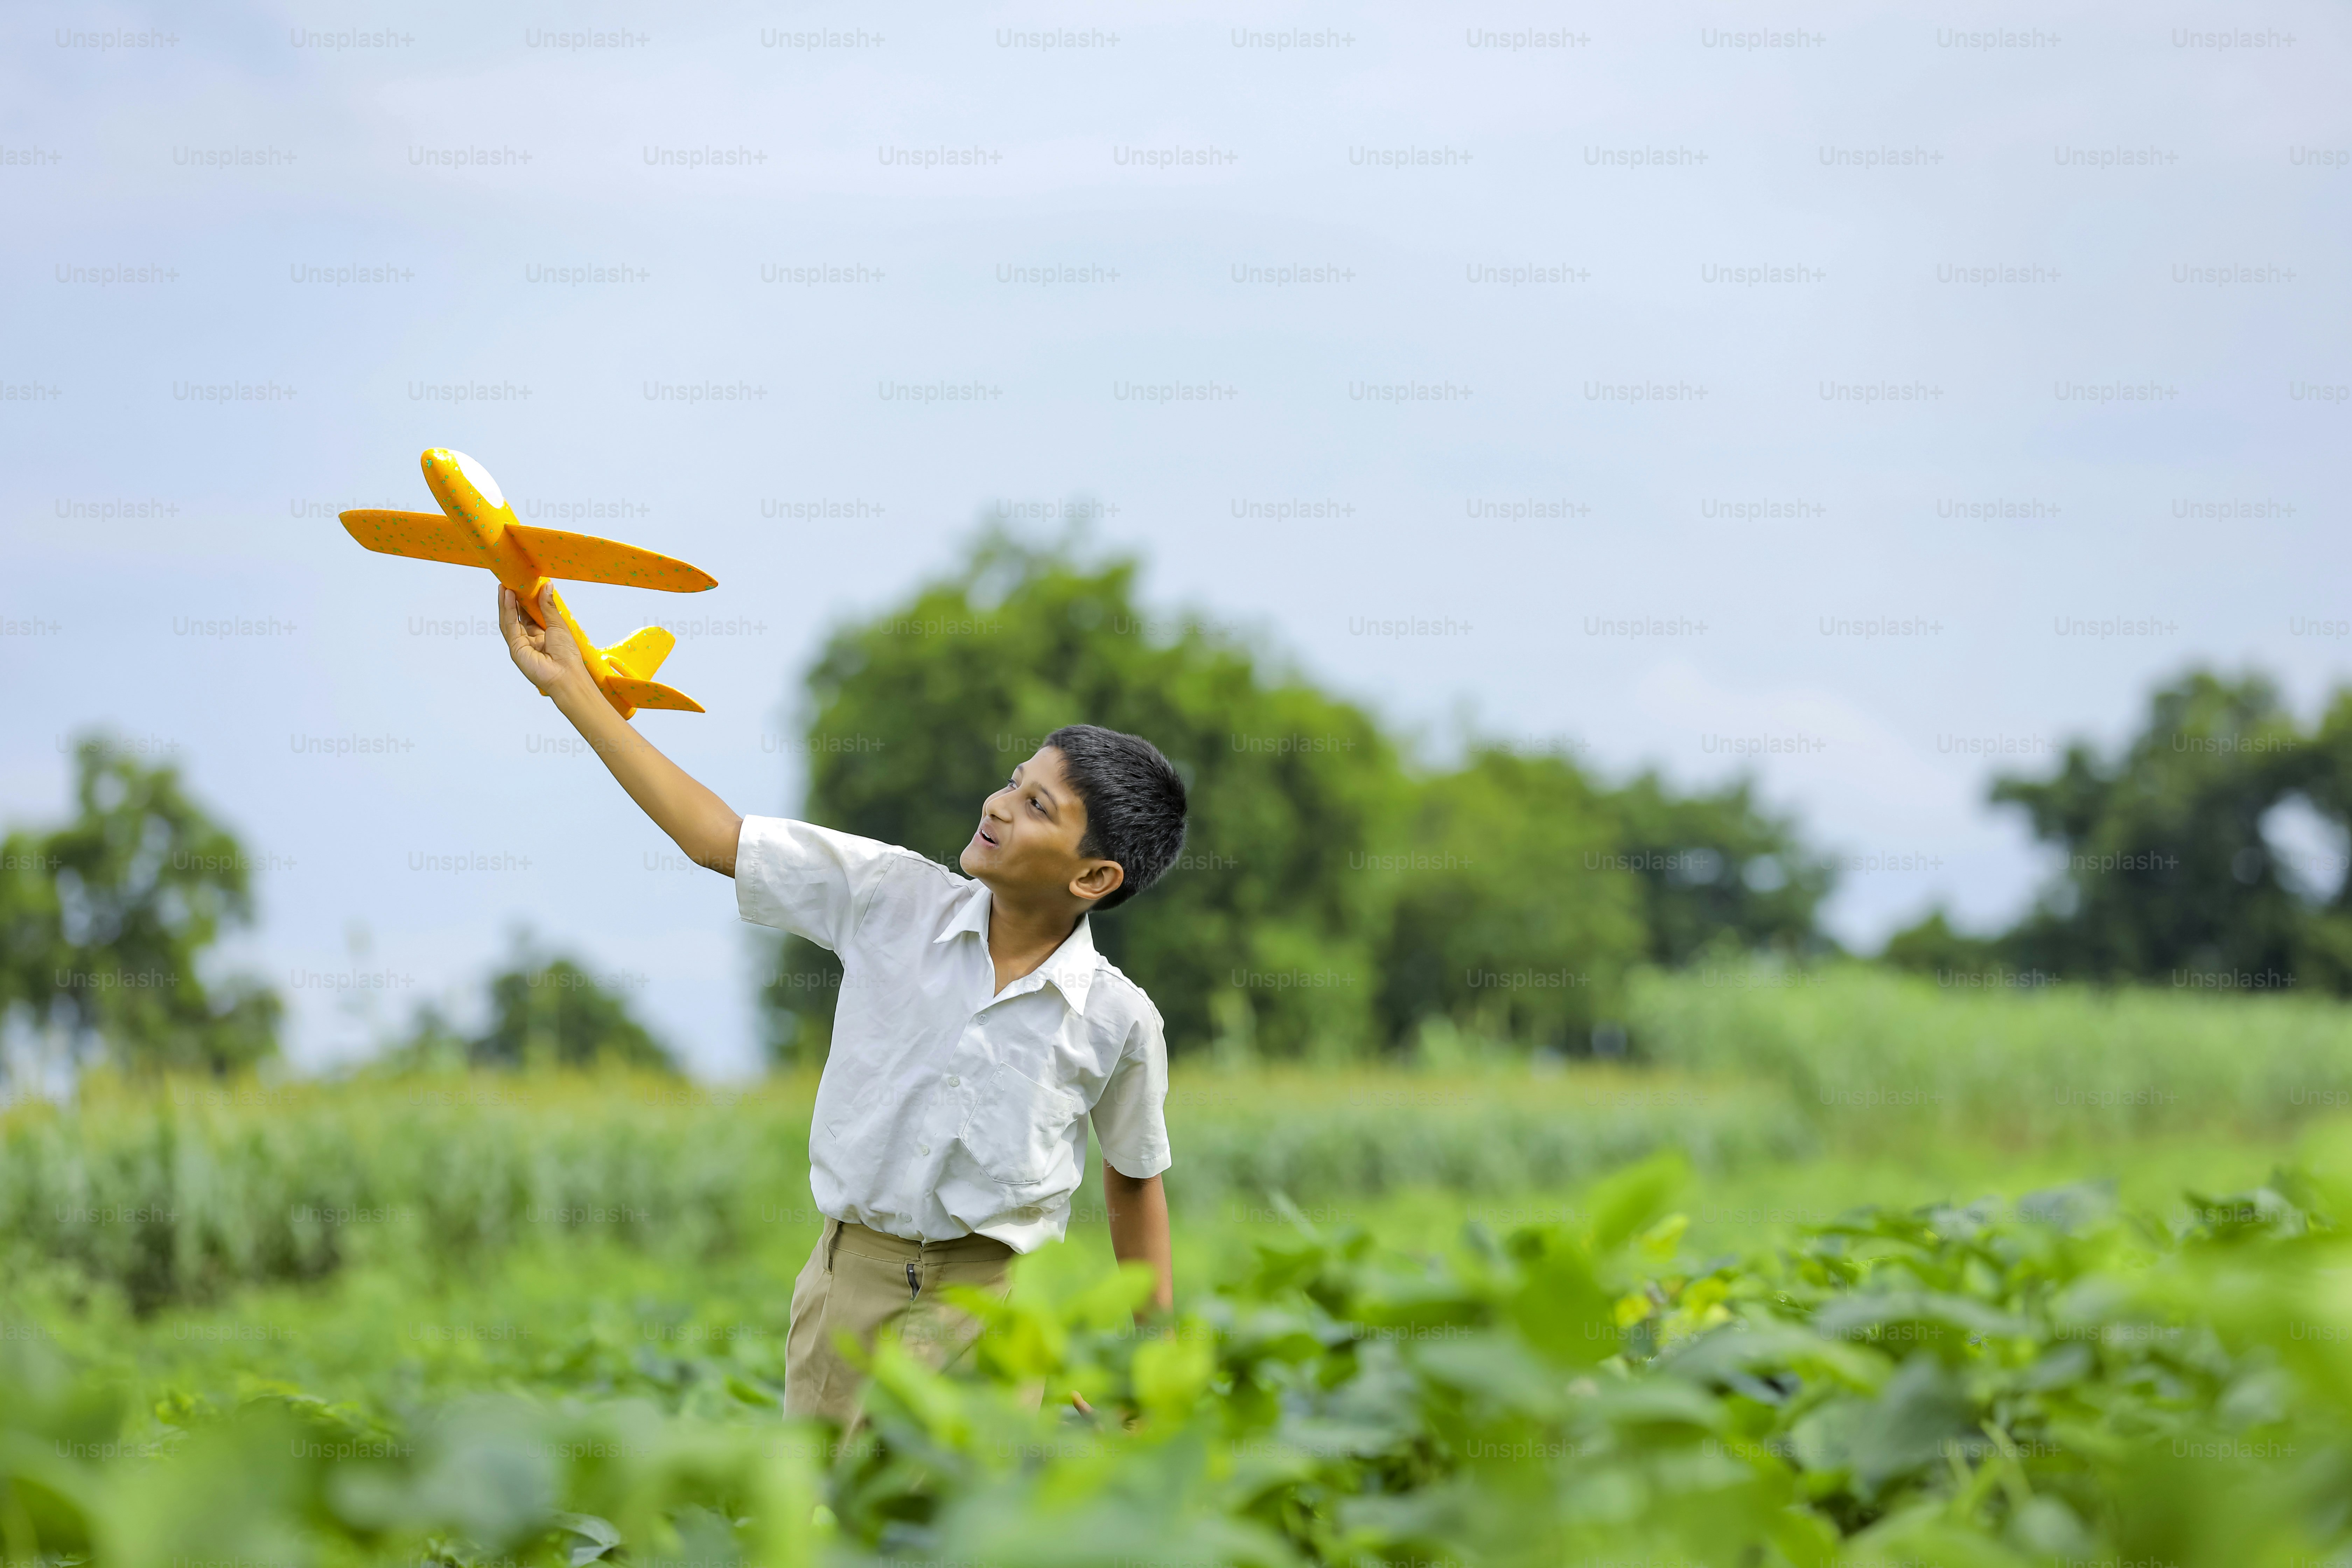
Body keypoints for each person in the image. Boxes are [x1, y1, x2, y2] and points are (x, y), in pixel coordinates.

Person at [497, 583, 1182, 1424]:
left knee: (935, 1534)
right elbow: (715, 837)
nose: (1000, 803)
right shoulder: (890, 895)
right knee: (822, 1526)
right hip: (844, 1276)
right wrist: (570, 685)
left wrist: (1153, 1365)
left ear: (1092, 877)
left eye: (1038, 804)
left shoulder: (1117, 1020)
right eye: (1014, 780)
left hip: (990, 1302)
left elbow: (1133, 1180)